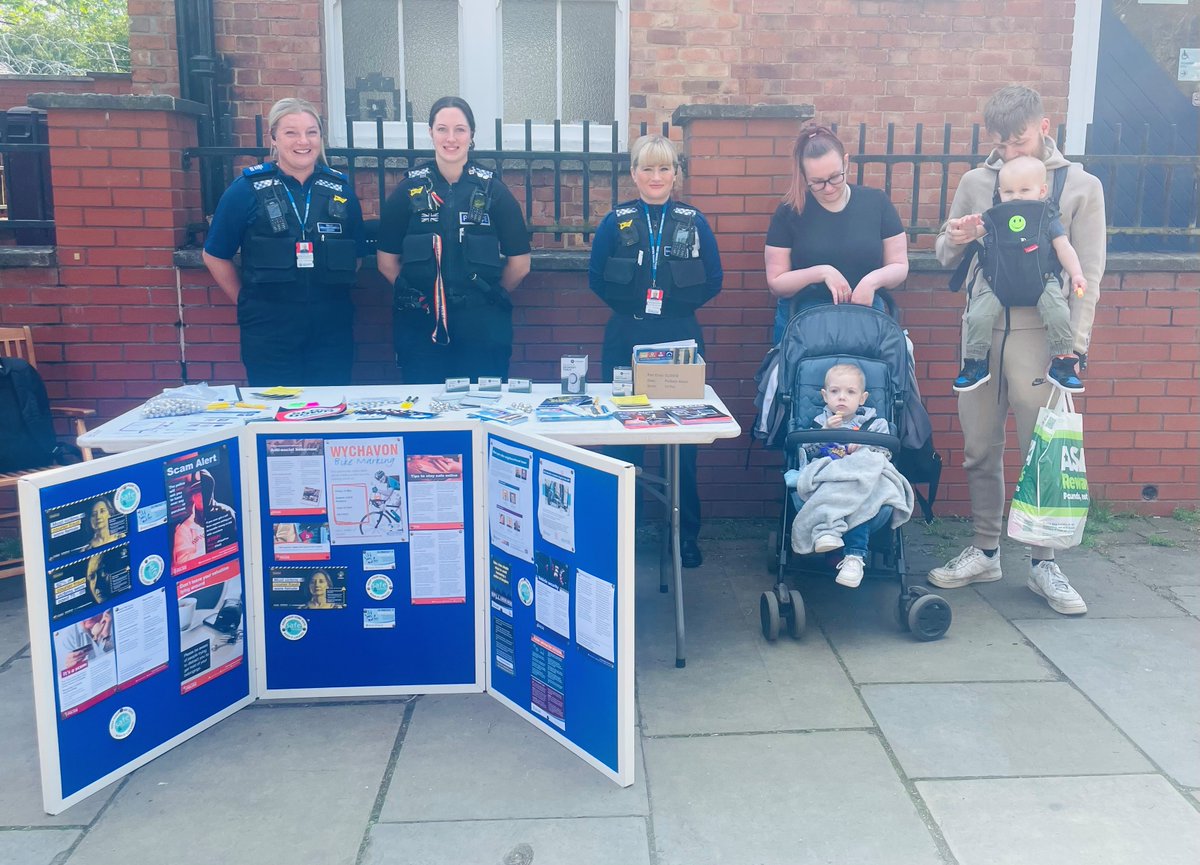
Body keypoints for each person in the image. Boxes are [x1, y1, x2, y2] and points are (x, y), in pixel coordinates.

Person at [930, 85, 1105, 615]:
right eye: (1001, 142)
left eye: (1020, 138)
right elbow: (943, 254)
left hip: (1040, 337)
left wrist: (1072, 348)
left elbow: (1088, 273)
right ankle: (985, 550)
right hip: (981, 334)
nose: (1010, 150)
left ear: (1044, 126)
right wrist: (957, 237)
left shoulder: (1080, 185)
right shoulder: (976, 182)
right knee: (979, 449)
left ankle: (1044, 562)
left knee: (1041, 451)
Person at [587, 133, 723, 568]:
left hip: (680, 337)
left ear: (675, 174)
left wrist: (673, 312)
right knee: (623, 440)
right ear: (634, 174)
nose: (656, 176)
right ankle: (622, 535)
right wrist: (635, 312)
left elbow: (715, 278)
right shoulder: (617, 221)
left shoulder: (693, 221)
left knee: (682, 444)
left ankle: (683, 535)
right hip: (626, 337)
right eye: (647, 168)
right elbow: (595, 278)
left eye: (665, 168)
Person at [203, 97, 366, 386]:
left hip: (331, 327)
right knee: (276, 417)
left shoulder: (341, 189)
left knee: (329, 412)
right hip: (270, 328)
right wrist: (245, 301)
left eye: (312, 132)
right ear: (274, 138)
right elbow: (215, 254)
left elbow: (356, 255)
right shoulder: (246, 190)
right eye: (292, 132)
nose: (303, 141)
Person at [377, 96, 532, 383]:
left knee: (482, 411)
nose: (451, 138)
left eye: (460, 129)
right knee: (426, 411)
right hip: (422, 325)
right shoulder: (408, 190)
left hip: (481, 326)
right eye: (442, 129)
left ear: (471, 135)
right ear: (431, 133)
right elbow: (386, 262)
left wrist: (486, 296)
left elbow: (520, 263)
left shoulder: (494, 191)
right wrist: (423, 298)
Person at [952, 156, 1088, 393]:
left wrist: (1076, 273)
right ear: (999, 192)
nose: (1016, 196)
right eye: (1009, 191)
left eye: (1025, 190)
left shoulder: (1047, 216)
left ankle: (1062, 362)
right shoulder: (995, 215)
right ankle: (975, 362)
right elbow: (975, 233)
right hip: (998, 282)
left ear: (1042, 190)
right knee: (978, 316)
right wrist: (967, 227)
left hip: (1042, 281)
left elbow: (1063, 247)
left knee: (1058, 313)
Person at [764, 125, 909, 344]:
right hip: (803, 320)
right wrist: (821, 272)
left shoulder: (876, 202)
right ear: (804, 177)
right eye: (818, 182)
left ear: (846, 162)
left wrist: (871, 281)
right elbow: (776, 282)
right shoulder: (790, 211)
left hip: (866, 316)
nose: (829, 188)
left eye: (834, 177)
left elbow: (899, 265)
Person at [788, 363, 908, 588]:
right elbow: (806, 455)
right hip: (831, 481)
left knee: (860, 500)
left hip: (861, 482)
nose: (841, 397)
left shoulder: (876, 425)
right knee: (840, 494)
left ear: (862, 398)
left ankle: (854, 557)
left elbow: (885, 455)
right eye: (835, 392)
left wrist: (865, 444)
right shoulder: (818, 423)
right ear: (825, 396)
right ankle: (829, 533)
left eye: (850, 392)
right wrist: (823, 433)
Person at [172, 483, 206, 570]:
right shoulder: (183, 529)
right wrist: (208, 551)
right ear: (193, 497)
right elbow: (182, 563)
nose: (203, 496)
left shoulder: (225, 512)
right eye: (198, 492)